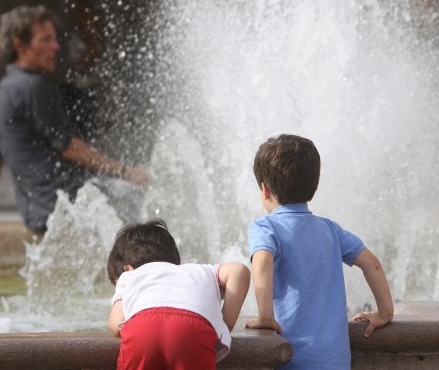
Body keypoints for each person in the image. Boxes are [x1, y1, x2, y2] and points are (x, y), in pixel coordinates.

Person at [0, 5, 149, 232]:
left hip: (37, 213)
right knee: (145, 199)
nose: (56, 46)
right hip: (66, 208)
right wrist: (125, 172)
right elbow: (70, 148)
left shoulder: (3, 91)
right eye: (46, 40)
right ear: (19, 45)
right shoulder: (32, 87)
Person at [244, 134, 394, 369]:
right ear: (313, 186)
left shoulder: (266, 227)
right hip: (335, 360)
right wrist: (385, 312)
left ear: (264, 190)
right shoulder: (331, 230)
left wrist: (265, 316)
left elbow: (261, 262)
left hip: (292, 358)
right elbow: (372, 263)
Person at [107, 219, 250, 369]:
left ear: (127, 269)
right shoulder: (201, 271)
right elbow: (239, 271)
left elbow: (116, 324)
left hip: (142, 330)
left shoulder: (129, 276)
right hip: (193, 330)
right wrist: (223, 325)